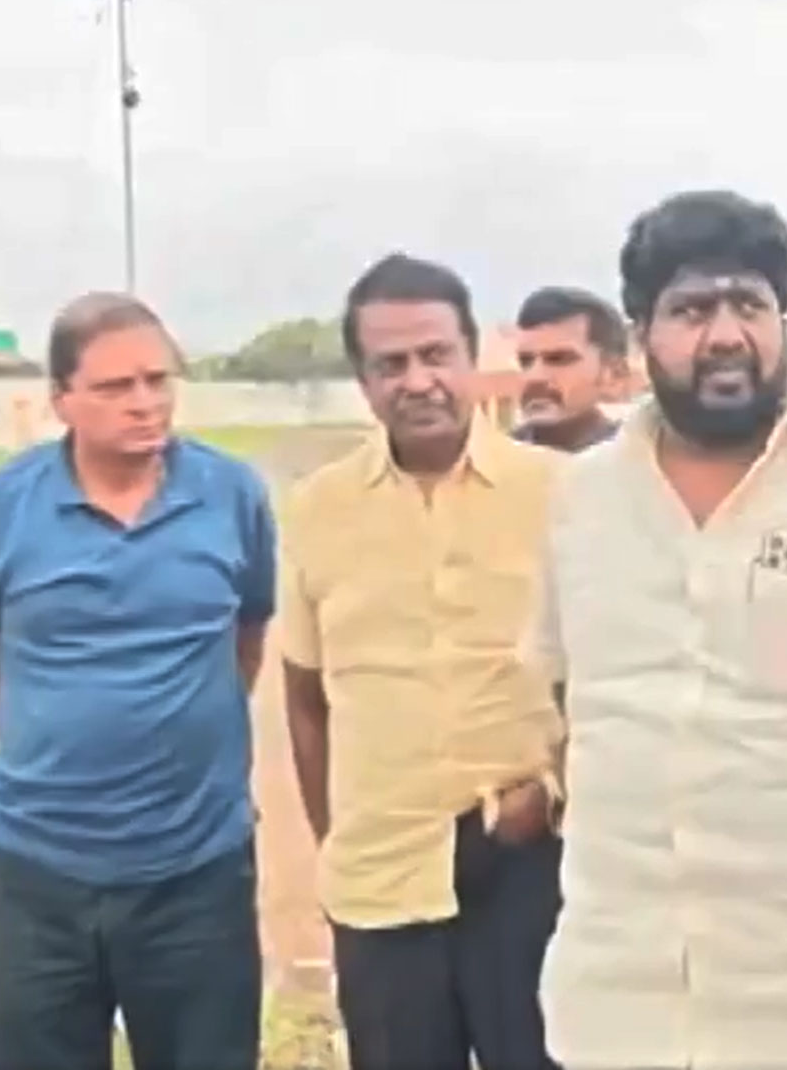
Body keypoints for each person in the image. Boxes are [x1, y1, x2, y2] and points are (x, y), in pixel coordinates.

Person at [531, 189, 787, 1070]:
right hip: (619, 1010)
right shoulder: (578, 499)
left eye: (749, 305)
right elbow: (565, 695)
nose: (725, 335)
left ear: (783, 321)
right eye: (690, 309)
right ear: (641, 333)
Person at [0, 292, 275, 1070]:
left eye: (158, 380)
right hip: (39, 874)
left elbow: (244, 639)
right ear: (62, 400)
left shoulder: (232, 496)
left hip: (198, 873)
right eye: (116, 387)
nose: (145, 403)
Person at [278, 253, 565, 1070]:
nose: (418, 381)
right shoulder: (319, 509)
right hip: (383, 876)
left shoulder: (563, 494)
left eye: (436, 355)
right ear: (364, 382)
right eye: (390, 364)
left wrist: (553, 793)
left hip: (530, 864)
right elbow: (305, 696)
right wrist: (340, 840)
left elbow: (615, 675)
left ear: (473, 358)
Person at [511, 285, 631, 451]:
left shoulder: (639, 464)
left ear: (613, 374)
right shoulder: (491, 465)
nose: (534, 377)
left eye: (558, 359)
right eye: (526, 362)